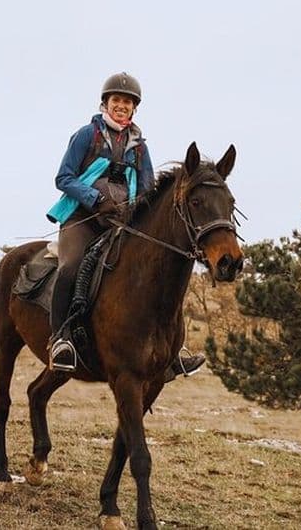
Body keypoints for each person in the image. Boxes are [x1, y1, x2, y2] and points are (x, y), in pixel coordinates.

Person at [47, 72, 206, 378]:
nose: (121, 106)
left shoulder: (140, 147)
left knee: (156, 271)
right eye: (116, 100)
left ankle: (172, 350)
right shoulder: (86, 135)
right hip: (83, 218)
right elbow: (63, 178)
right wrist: (95, 199)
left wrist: (137, 213)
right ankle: (61, 339)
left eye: (127, 102)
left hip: (120, 223)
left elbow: (148, 190)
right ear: (105, 103)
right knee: (71, 266)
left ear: (135, 108)